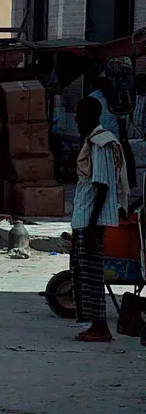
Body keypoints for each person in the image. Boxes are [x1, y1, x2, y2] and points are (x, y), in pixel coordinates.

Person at [70, 96, 131, 343]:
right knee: (83, 274)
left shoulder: (101, 143)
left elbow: (103, 184)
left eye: (79, 114)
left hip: (91, 221)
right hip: (84, 218)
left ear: (90, 116)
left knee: (92, 275)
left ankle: (100, 326)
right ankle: (94, 324)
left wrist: (92, 225)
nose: (75, 119)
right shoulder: (92, 141)